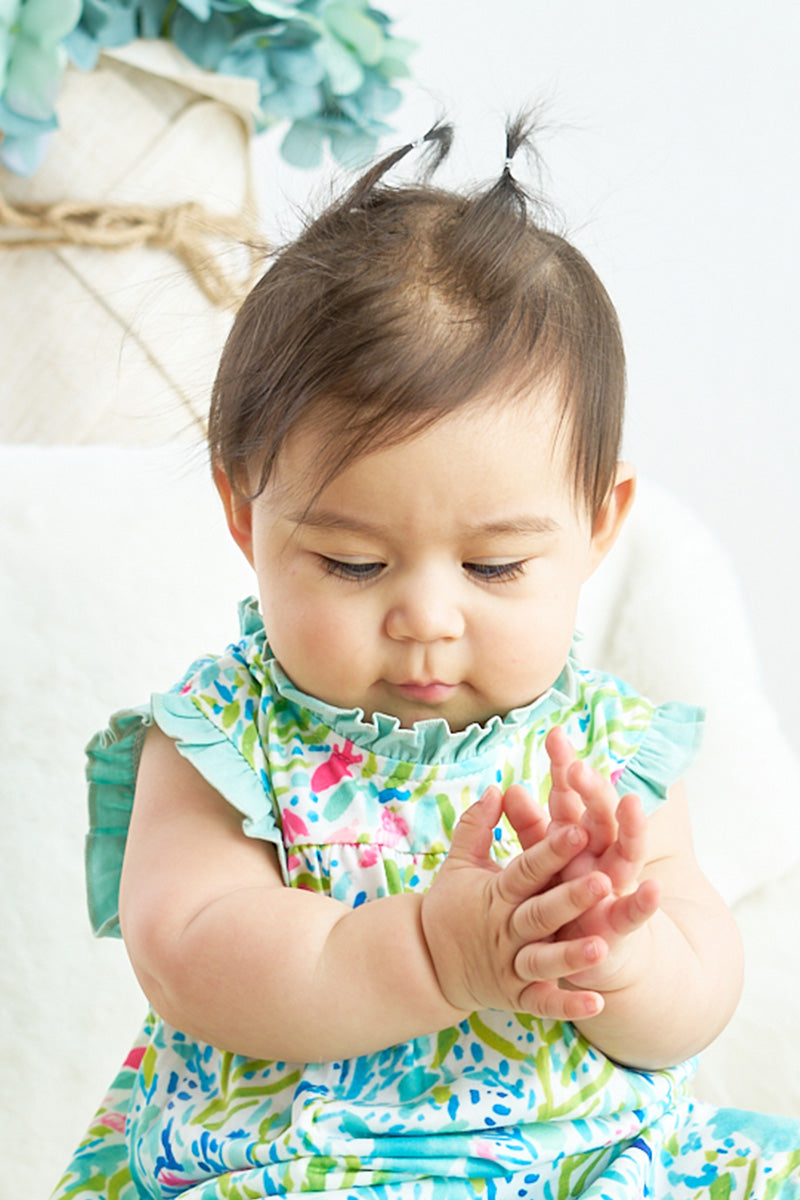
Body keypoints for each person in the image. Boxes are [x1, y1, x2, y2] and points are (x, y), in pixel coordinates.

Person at [53, 117, 800, 1200]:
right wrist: (432, 954)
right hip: (301, 1169)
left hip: (590, 1167)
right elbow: (192, 953)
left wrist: (619, 956)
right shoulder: (221, 739)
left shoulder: (606, 750)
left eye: (495, 567)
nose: (425, 619)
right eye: (352, 563)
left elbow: (697, 985)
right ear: (242, 508)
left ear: (597, 527)